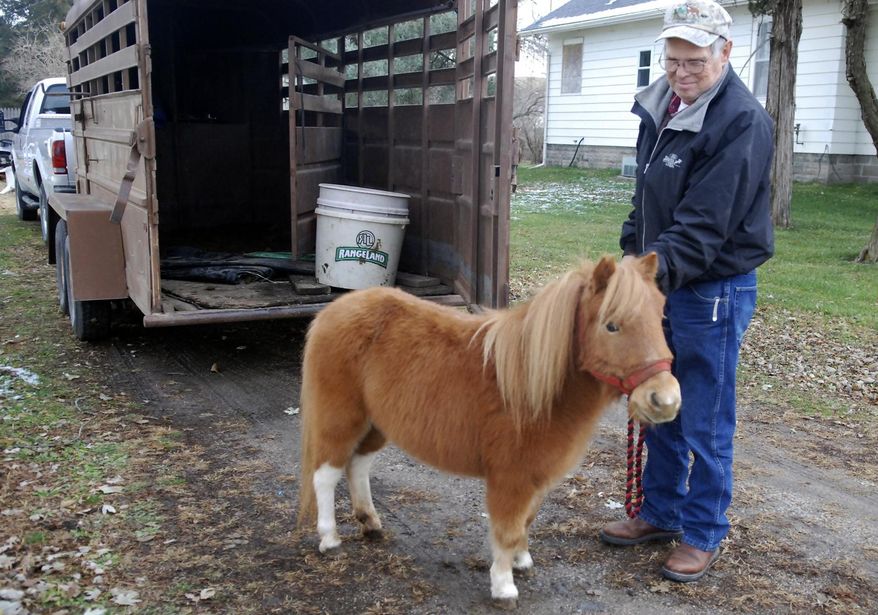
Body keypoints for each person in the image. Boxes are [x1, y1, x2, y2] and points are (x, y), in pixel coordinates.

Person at [599, 0, 774, 583]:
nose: (682, 72)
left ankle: (702, 532)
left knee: (703, 413)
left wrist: (639, 281)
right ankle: (660, 510)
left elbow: (703, 227)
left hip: (710, 291)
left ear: (725, 53)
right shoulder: (665, 107)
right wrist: (631, 252)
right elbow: (646, 203)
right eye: (672, 60)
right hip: (662, 283)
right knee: (657, 402)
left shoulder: (741, 122)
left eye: (695, 60)